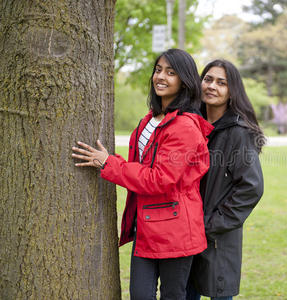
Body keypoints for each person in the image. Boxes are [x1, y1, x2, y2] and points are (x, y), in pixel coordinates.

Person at [72, 48, 214, 300]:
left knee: (172, 296)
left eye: (171, 72)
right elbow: (141, 167)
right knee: (140, 295)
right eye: (158, 70)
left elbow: (160, 179)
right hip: (145, 226)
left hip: (176, 229)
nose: (161, 77)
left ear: (185, 81)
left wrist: (109, 164)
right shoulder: (149, 120)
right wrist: (108, 161)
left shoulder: (184, 127)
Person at [186, 59, 265, 300]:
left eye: (222, 82)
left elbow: (251, 188)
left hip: (216, 235)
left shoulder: (239, 133)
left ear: (232, 92)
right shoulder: (189, 125)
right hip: (184, 231)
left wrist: (212, 224)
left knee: (219, 294)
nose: (212, 86)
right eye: (208, 79)